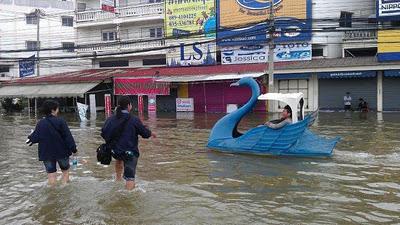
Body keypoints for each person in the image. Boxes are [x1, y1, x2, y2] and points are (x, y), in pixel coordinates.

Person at [101, 96, 156, 190]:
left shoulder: (110, 119)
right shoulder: (134, 119)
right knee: (130, 177)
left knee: (119, 160)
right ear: (129, 106)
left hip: (116, 151)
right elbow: (145, 134)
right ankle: (128, 196)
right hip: (129, 152)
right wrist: (151, 133)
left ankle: (118, 179)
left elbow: (103, 133)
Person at [27, 100, 77, 186]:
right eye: (57, 109)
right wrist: (74, 150)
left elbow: (34, 138)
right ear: (53, 110)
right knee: (65, 172)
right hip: (62, 152)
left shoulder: (40, 123)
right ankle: (65, 190)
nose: (58, 110)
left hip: (46, 154)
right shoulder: (61, 121)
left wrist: (30, 137)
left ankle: (52, 194)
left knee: (51, 175)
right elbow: (68, 137)